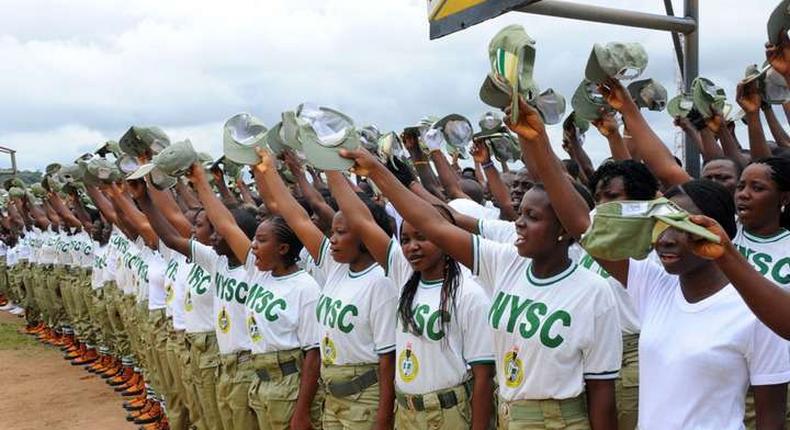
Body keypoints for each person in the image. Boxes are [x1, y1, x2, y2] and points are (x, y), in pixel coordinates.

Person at [507, 88, 790, 429]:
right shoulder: (655, 286)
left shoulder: (757, 310)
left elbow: (771, 419)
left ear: (717, 230)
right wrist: (539, 141)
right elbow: (583, 226)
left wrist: (727, 256)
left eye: (682, 227)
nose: (666, 238)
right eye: (660, 225)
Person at [339, 146, 622, 429]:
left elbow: (601, 392)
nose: (519, 224)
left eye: (532, 217)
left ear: (564, 229)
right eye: (521, 214)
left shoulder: (593, 291)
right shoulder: (505, 262)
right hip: (508, 414)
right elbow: (435, 224)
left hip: (559, 420)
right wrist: (378, 170)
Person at [325, 167, 495, 430]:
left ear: (444, 236)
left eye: (422, 237)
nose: (411, 247)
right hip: (405, 413)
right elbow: (361, 220)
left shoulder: (470, 294)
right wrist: (327, 161)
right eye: (405, 239)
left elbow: (483, 377)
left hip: (448, 415)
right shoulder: (404, 275)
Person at [254, 148, 398, 430]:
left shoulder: (381, 282)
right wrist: (268, 169)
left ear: (366, 234)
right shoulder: (335, 269)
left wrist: (383, 419)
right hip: (332, 394)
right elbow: (298, 219)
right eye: (332, 232)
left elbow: (387, 360)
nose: (332, 239)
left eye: (341, 233)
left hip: (365, 398)